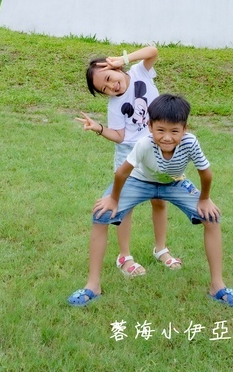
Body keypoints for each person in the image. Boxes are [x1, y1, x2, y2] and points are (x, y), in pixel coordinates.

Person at [68, 94, 233, 308]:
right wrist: (113, 199)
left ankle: (218, 286)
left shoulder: (190, 142)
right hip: (139, 181)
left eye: (174, 131)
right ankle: (92, 285)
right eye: (160, 130)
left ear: (185, 128)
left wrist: (205, 199)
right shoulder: (144, 144)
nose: (167, 137)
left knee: (212, 218)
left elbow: (206, 173)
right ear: (150, 126)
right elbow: (122, 173)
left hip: (174, 183)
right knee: (101, 214)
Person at [76, 45, 181, 276]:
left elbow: (152, 50)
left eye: (109, 78)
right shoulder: (114, 106)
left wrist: (123, 57)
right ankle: (125, 256)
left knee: (159, 200)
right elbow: (120, 136)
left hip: (157, 148)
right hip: (129, 155)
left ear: (115, 67)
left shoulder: (138, 72)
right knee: (126, 205)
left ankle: (161, 249)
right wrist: (99, 128)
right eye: (105, 88)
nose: (112, 87)